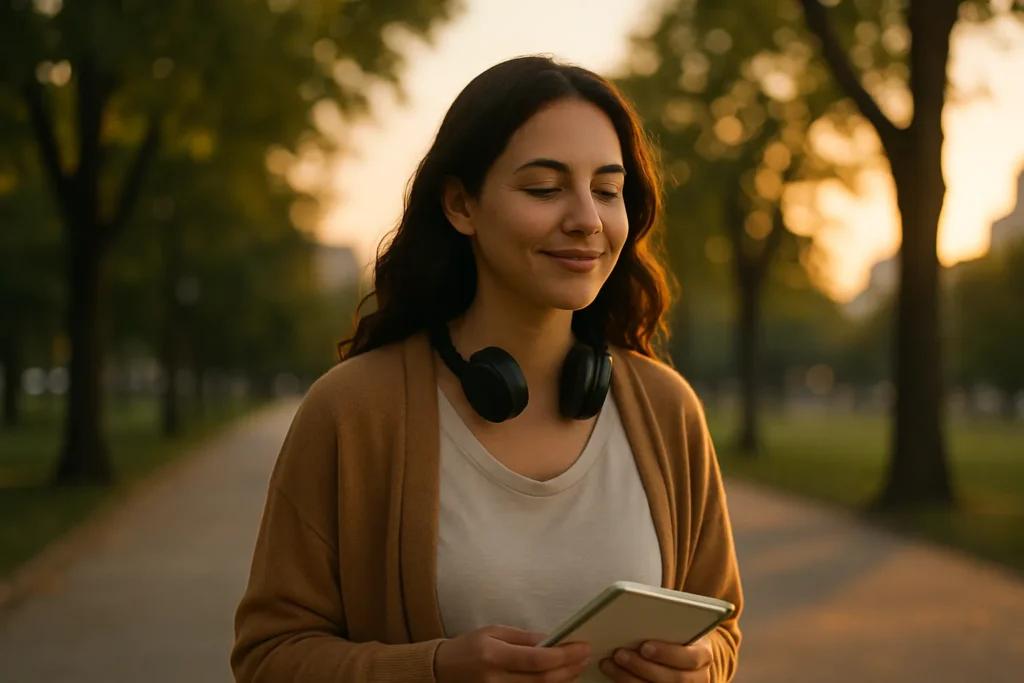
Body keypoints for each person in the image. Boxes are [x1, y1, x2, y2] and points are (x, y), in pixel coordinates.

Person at [231, 54, 743, 683]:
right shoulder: (352, 409)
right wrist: (435, 670)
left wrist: (699, 668)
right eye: (545, 188)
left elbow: (720, 630)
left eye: (608, 191)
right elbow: (268, 657)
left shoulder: (668, 409)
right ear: (460, 204)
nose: (587, 219)